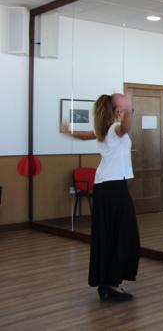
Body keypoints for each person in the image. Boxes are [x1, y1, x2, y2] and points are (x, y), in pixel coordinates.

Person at [60, 93, 139, 302]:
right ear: (117, 110)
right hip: (114, 187)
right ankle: (112, 284)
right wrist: (129, 107)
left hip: (103, 187)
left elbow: (86, 135)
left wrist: (69, 131)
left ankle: (106, 283)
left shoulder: (104, 130)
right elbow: (126, 127)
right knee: (123, 235)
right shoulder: (114, 129)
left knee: (108, 235)